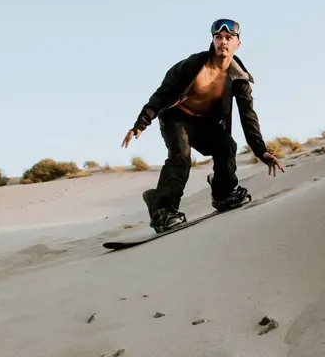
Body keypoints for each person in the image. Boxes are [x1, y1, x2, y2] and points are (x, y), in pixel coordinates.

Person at [121, 18, 285, 233]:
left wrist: (262, 152)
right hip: (176, 119)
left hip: (205, 125)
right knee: (181, 157)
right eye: (218, 37)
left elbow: (248, 116)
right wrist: (141, 123)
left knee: (227, 145)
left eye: (229, 38)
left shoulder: (239, 78)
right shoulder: (193, 65)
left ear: (238, 44)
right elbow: (162, 94)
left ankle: (224, 194)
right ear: (213, 41)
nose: (223, 42)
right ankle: (163, 210)